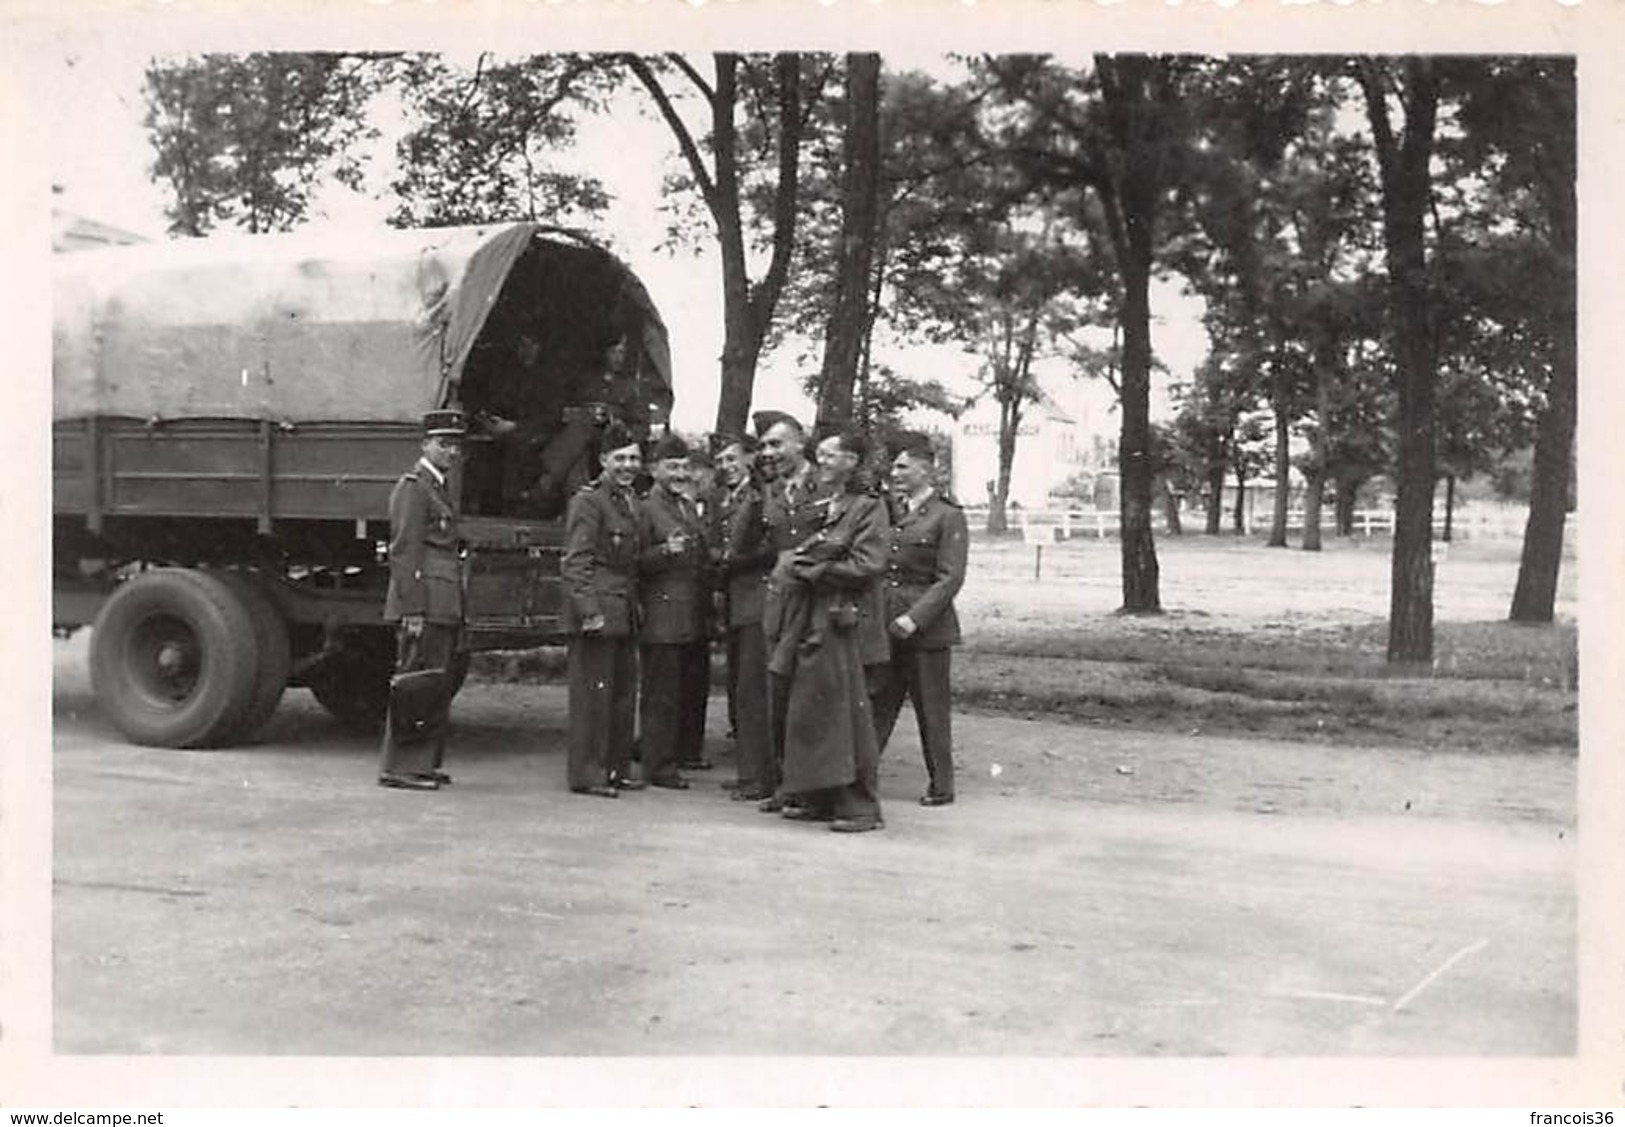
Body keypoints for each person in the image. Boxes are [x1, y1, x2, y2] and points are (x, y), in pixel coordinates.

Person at [764, 428, 889, 833]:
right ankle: (819, 796)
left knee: (844, 716)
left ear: (852, 462)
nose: (823, 462)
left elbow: (868, 564)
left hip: (842, 622)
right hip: (812, 618)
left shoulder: (869, 507)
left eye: (831, 455)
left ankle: (860, 807)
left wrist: (814, 570)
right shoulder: (826, 502)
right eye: (820, 455)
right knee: (812, 710)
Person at [870, 434, 969, 806]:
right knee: (879, 700)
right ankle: (862, 776)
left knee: (931, 709)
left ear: (926, 470)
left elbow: (950, 577)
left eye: (902, 466)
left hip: (927, 631)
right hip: (887, 624)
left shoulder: (948, 515)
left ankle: (942, 785)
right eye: (893, 466)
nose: (894, 473)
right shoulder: (892, 509)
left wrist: (914, 619)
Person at [378, 409, 468, 791]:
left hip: (442, 599)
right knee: (416, 681)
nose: (450, 451)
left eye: (455, 445)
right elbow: (404, 551)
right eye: (442, 443)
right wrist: (412, 607)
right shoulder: (414, 487)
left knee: (434, 683)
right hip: (425, 600)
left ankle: (423, 762)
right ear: (424, 445)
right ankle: (401, 766)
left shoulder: (439, 486)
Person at [561, 423, 646, 798]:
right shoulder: (589, 501)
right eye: (620, 458)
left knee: (622, 695)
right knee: (593, 696)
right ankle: (588, 773)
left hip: (624, 608)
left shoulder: (631, 502)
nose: (628, 465)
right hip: (599, 609)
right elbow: (576, 562)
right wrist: (588, 610)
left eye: (634, 458)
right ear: (603, 461)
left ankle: (616, 768)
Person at [634, 434, 711, 788]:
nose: (681, 473)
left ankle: (676, 754)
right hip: (662, 616)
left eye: (684, 466)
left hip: (689, 615)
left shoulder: (683, 506)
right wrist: (665, 551)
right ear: (653, 469)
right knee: (660, 694)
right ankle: (658, 765)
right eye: (672, 466)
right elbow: (632, 562)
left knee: (681, 689)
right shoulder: (645, 508)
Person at [713, 432, 775, 800]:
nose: (726, 468)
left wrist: (731, 561)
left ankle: (758, 777)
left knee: (753, 690)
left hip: (757, 600)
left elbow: (766, 548)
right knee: (742, 689)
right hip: (739, 600)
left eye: (733, 460)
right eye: (720, 462)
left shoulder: (762, 495)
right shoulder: (734, 498)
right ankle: (750, 772)